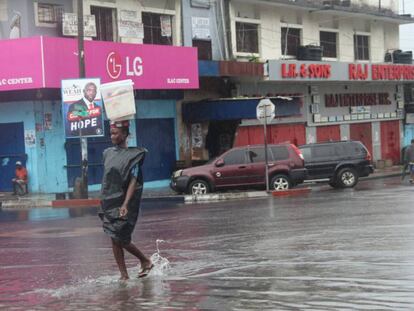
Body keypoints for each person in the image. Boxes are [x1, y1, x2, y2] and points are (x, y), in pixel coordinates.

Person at [99, 120, 153, 280]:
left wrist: (125, 204)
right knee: (113, 237)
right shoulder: (107, 153)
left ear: (124, 135)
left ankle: (145, 260)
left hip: (124, 203)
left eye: (115, 133)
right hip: (108, 202)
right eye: (111, 133)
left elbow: (133, 181)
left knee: (120, 238)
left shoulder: (133, 156)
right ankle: (124, 275)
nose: (112, 136)